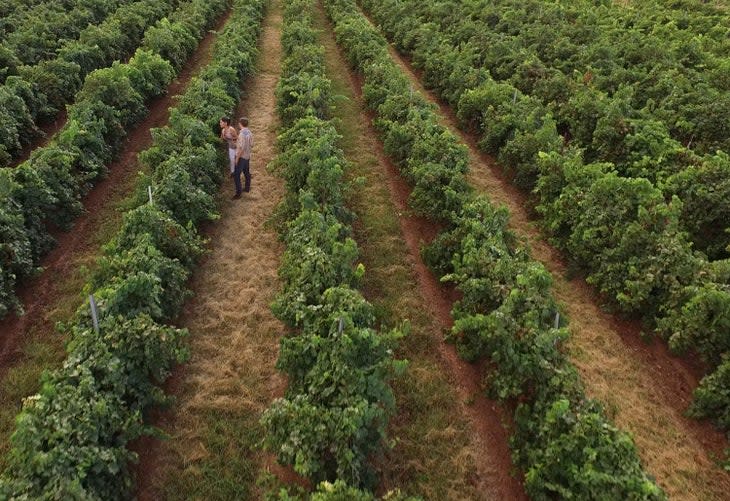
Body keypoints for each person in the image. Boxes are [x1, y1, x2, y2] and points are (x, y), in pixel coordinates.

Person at [234, 116, 253, 199]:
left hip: (241, 157)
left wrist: (237, 158)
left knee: (236, 175)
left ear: (240, 124)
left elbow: (241, 148)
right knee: (246, 173)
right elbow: (252, 144)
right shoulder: (250, 132)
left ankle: (238, 193)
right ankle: (247, 188)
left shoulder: (242, 134)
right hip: (247, 156)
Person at [219, 117, 238, 192]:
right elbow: (221, 139)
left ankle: (243, 171)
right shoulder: (223, 130)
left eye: (221, 122)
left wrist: (232, 140)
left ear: (225, 123)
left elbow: (236, 137)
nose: (220, 124)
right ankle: (233, 172)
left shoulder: (231, 129)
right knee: (232, 160)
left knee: (238, 160)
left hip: (236, 147)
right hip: (231, 147)